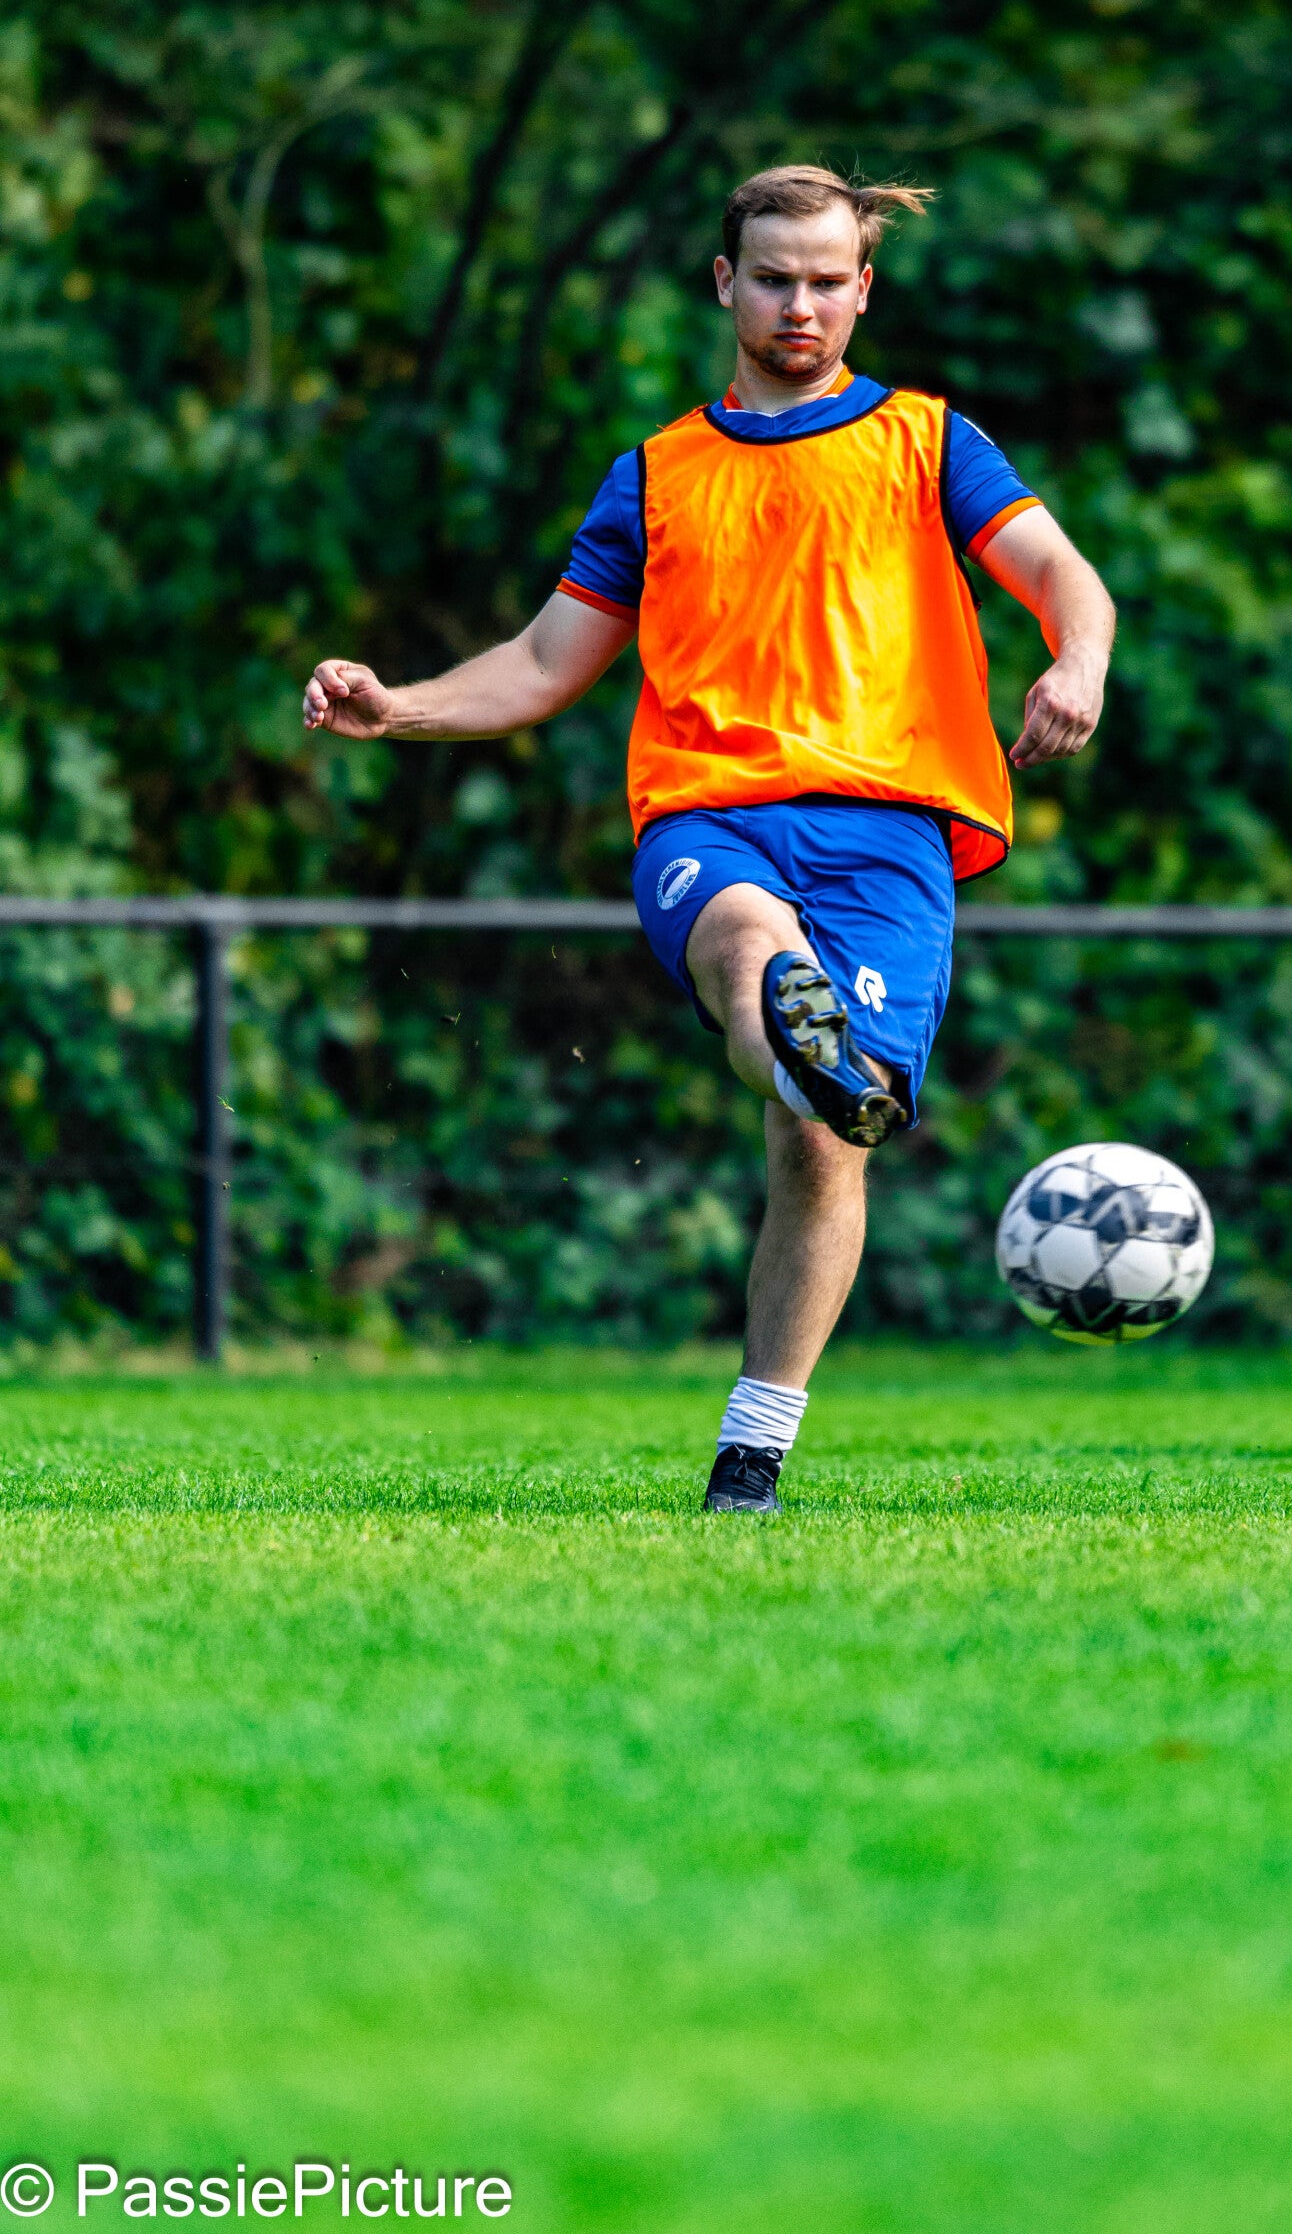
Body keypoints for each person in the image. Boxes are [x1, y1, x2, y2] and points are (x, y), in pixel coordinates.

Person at [304, 164, 1116, 1513]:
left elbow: (1059, 575)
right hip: (709, 810)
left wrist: (1076, 662)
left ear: (864, 289)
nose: (800, 305)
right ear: (724, 283)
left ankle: (754, 1449)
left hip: (891, 830)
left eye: (826, 282)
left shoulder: (929, 441)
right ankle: (791, 1026)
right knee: (750, 947)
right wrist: (401, 706)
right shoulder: (656, 476)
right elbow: (544, 661)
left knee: (822, 1143)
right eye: (773, 279)